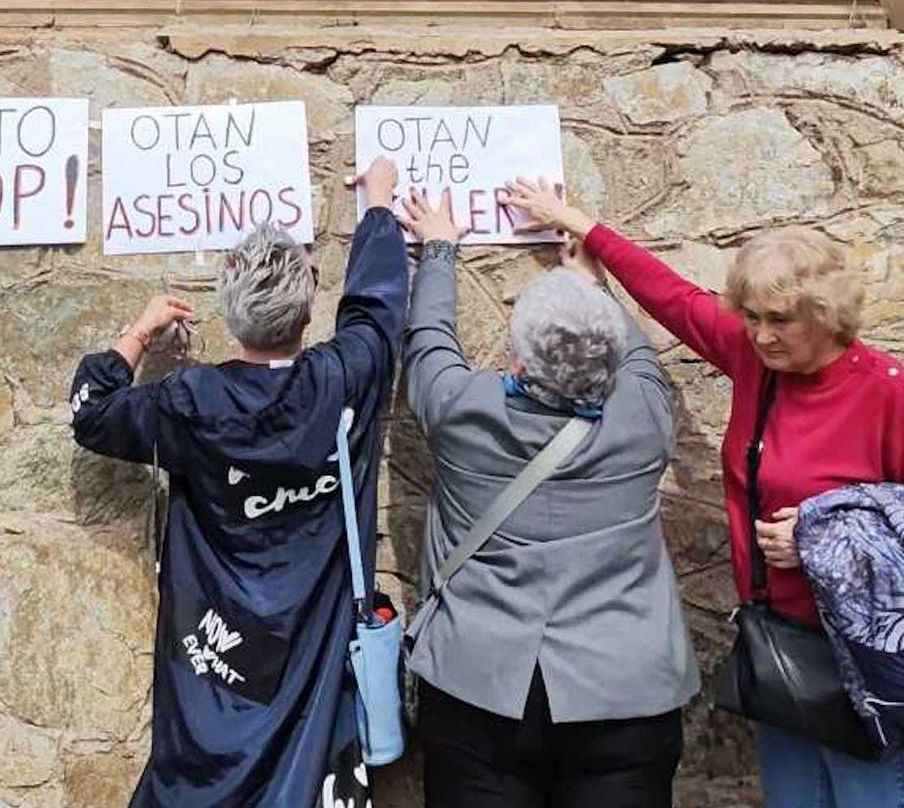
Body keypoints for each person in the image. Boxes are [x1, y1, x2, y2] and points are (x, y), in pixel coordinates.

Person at [501, 177, 904, 808]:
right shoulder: (754, 361)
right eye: (751, 318)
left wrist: (826, 531)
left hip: (864, 656)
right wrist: (578, 224)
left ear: (826, 316)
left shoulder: (885, 389)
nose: (762, 334)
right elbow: (673, 296)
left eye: (780, 320)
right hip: (782, 648)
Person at [69, 158, 407, 808]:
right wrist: (379, 208)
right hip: (312, 660)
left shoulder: (193, 402)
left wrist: (138, 333)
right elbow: (377, 307)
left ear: (229, 310)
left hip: (212, 667)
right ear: (306, 312)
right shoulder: (343, 379)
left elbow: (92, 413)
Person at [401, 188, 699, 808]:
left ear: (518, 357)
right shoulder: (643, 413)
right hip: (625, 690)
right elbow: (639, 356)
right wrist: (590, 285)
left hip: (478, 685)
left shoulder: (464, 411)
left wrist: (438, 249)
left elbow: (429, 342)